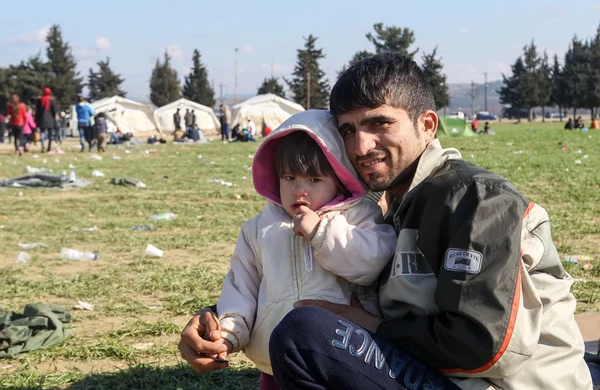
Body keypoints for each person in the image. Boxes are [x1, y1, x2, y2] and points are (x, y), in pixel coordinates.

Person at [179, 53, 592, 390]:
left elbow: (484, 344)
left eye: (379, 123)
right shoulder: (380, 205)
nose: (361, 145)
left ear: (427, 125)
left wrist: (365, 326)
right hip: (442, 375)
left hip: (495, 384)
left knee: (306, 334)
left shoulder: (477, 201)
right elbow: (316, 279)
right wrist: (221, 322)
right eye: (348, 130)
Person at [212, 110, 397, 388]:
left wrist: (322, 233)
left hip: (343, 353)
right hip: (273, 356)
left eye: (314, 180)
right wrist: (229, 329)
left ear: (339, 178)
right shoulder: (258, 228)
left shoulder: (357, 216)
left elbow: (370, 265)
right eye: (289, 178)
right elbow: (242, 285)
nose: (300, 190)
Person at [35, 87, 58, 153]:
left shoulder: (39, 100)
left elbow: (37, 111)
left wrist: (36, 119)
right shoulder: (52, 100)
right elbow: (54, 111)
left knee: (42, 133)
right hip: (50, 119)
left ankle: (42, 146)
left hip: (42, 119)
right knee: (50, 134)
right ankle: (49, 147)